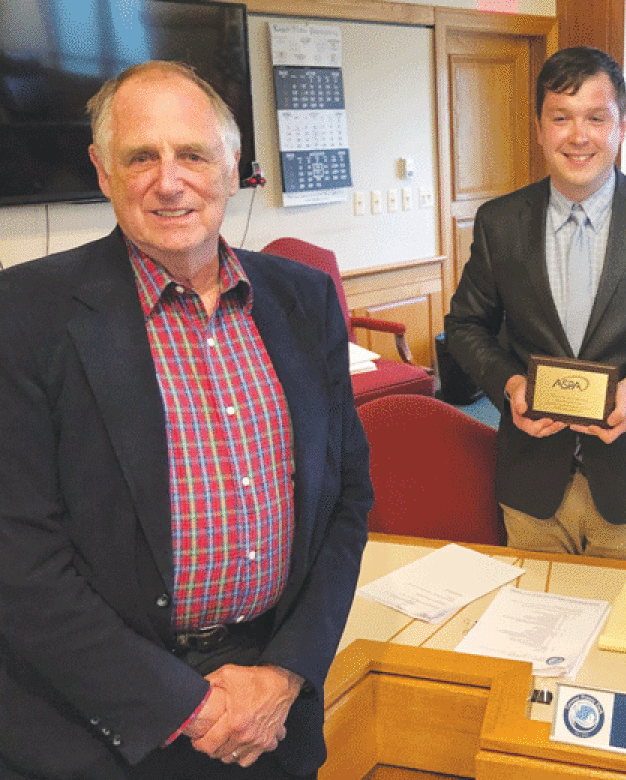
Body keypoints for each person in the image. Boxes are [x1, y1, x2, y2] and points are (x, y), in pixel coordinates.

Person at [0, 61, 372, 779]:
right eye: (141, 156)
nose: (169, 182)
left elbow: (346, 501)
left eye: (193, 154)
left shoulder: (304, 299)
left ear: (234, 167)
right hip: (105, 725)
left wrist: (288, 672)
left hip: (277, 709)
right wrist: (190, 706)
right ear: (103, 172)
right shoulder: (25, 317)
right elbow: (19, 561)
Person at [444, 46, 626, 564]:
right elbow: (466, 326)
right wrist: (511, 384)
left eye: (596, 119)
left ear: (621, 126)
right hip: (532, 487)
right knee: (531, 628)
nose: (578, 136)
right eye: (561, 118)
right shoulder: (500, 222)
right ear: (539, 128)